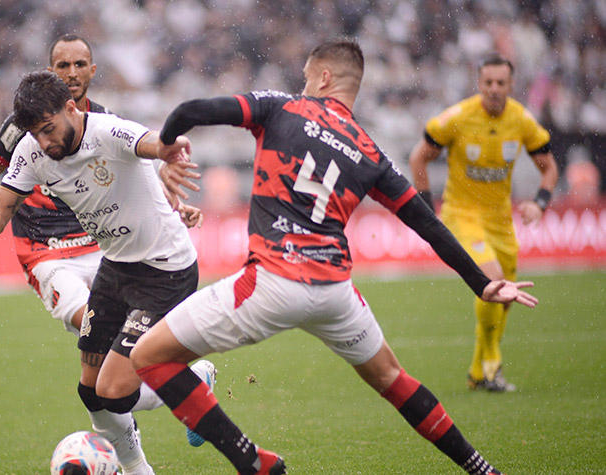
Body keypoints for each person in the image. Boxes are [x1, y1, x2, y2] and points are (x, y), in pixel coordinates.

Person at [129, 39, 539, 475]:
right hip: (334, 293)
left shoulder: (280, 107)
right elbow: (428, 224)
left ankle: (251, 460)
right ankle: (481, 468)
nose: (303, 85)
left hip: (271, 282)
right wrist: (483, 283)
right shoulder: (370, 152)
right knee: (393, 380)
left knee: (148, 357)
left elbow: (193, 110)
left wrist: (169, 146)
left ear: (323, 77)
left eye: (307, 77)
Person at [0, 34, 211, 462]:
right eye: (62, 66)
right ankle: (149, 432)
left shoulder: (107, 124)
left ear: (93, 71)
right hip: (45, 251)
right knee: (94, 340)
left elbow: (145, 161)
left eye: (79, 65)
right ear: (49, 72)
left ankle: (173, 388)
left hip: (103, 249)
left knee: (98, 385)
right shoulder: (23, 132)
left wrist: (173, 203)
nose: (71, 73)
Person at [408, 53, 558, 392]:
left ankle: (478, 372)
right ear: (479, 83)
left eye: (500, 83)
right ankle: (492, 367)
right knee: (495, 280)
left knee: (506, 297)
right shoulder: (459, 117)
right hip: (461, 217)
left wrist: (540, 202)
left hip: (501, 222)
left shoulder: (520, 120)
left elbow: (549, 167)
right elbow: (419, 155)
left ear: (510, 85)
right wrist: (424, 206)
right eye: (487, 82)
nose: (493, 89)